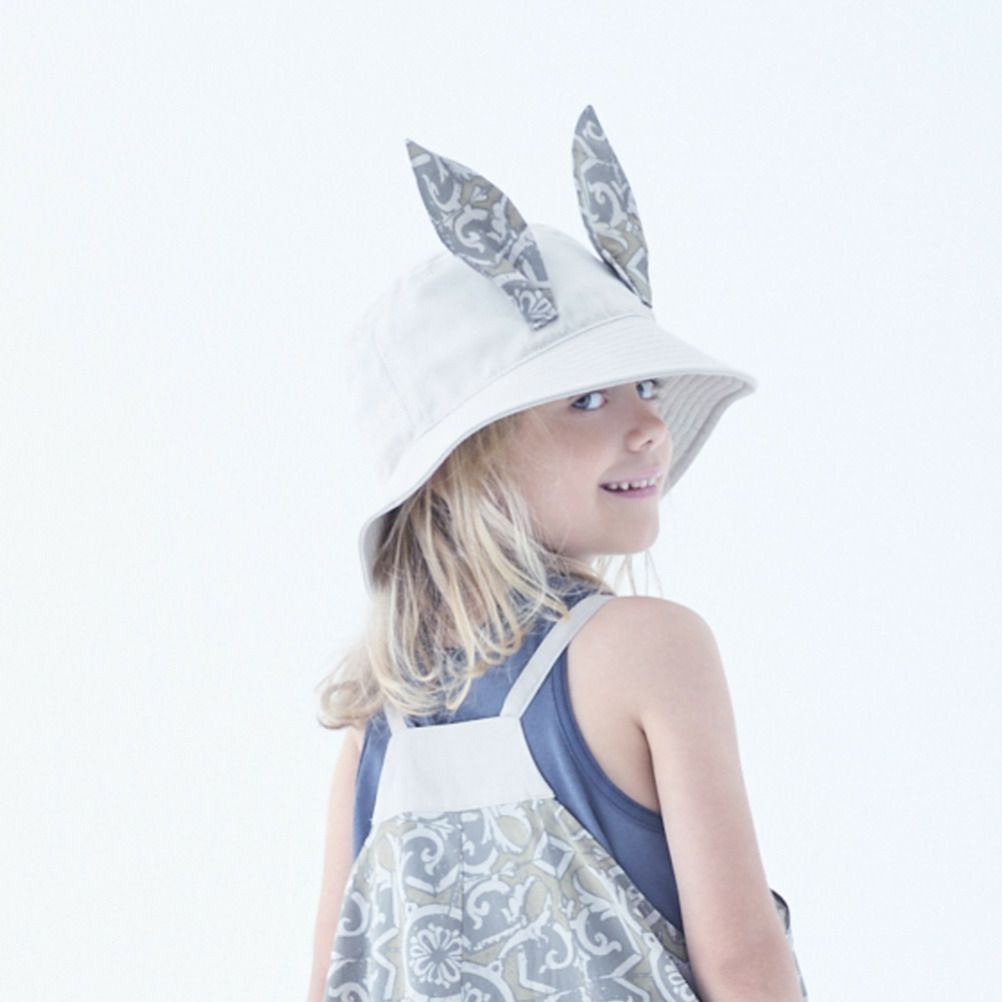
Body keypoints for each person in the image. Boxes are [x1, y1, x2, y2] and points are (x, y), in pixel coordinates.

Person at [305, 105, 808, 1002]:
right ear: (469, 460)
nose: (651, 426)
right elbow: (740, 965)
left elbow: (332, 985)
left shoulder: (379, 720)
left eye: (646, 386)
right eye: (587, 400)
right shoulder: (651, 650)